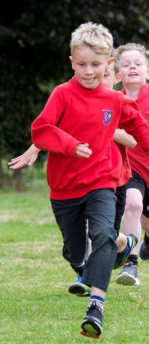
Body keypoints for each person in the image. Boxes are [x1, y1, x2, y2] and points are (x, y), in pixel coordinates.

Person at [31, 22, 149, 339]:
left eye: (96, 65)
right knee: (74, 252)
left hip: (104, 182)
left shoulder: (116, 100)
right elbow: (40, 130)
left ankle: (95, 307)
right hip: (65, 189)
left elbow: (141, 132)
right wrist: (69, 145)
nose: (88, 71)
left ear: (108, 65)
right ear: (72, 62)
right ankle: (125, 245)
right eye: (81, 64)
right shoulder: (62, 94)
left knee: (101, 235)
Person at [9, 59, 138, 295]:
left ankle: (92, 282)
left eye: (105, 74)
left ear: (114, 79)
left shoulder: (116, 104)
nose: (94, 77)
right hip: (73, 180)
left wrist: (103, 129)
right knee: (81, 234)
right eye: (84, 68)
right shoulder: (72, 97)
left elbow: (132, 140)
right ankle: (97, 258)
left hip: (112, 177)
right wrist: (34, 148)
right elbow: (52, 129)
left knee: (100, 231)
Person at [115, 43, 149, 286]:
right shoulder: (113, 100)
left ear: (147, 71)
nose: (132, 67)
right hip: (131, 168)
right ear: (119, 74)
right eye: (126, 64)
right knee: (133, 204)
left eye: (138, 63)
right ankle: (131, 264)